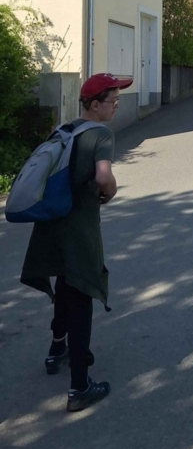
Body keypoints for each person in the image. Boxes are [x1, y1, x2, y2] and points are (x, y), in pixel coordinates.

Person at [20, 73, 131, 412]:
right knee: (82, 293)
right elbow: (103, 177)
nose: (116, 106)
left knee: (64, 284)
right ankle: (80, 386)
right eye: (113, 101)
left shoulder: (63, 129)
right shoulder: (101, 134)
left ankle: (57, 348)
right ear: (94, 105)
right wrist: (110, 192)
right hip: (79, 228)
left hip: (50, 223)